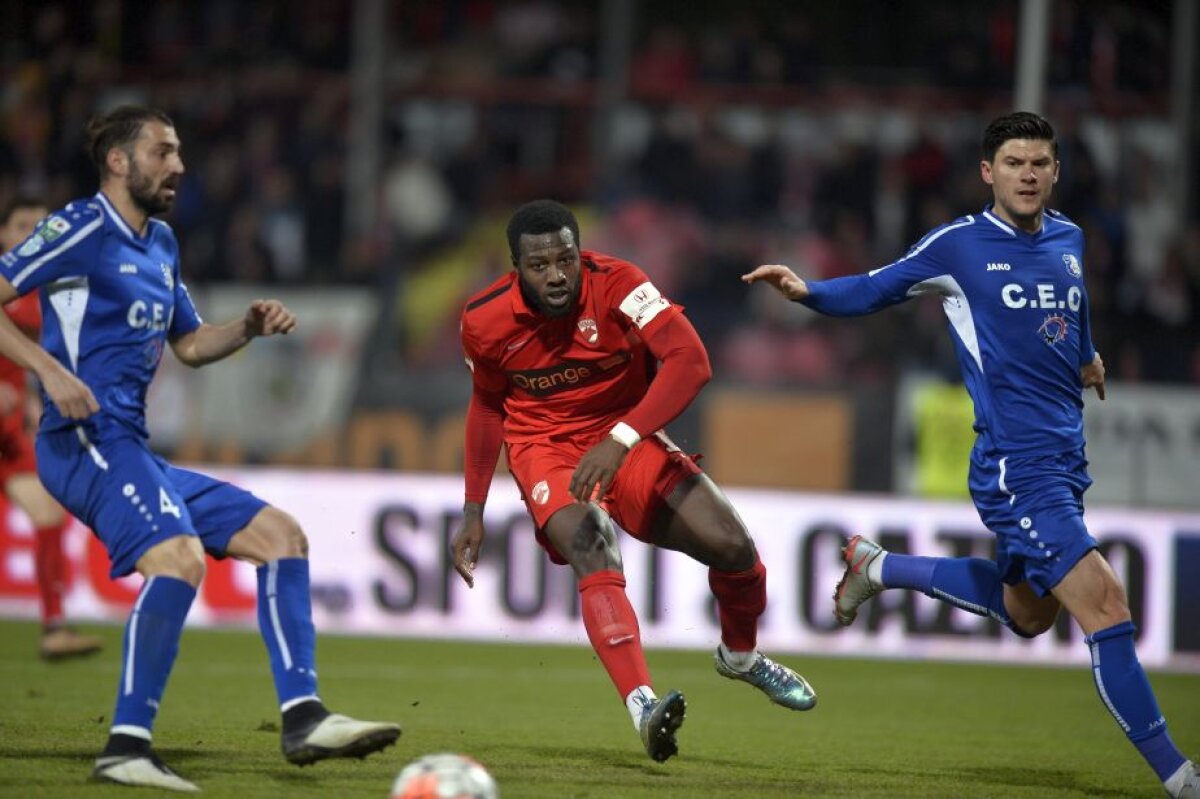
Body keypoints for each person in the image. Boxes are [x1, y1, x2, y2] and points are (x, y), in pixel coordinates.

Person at [743, 111, 1197, 799]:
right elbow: (878, 285)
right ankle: (1182, 777)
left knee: (1029, 613)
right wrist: (808, 292)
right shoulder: (959, 245)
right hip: (1017, 467)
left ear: (1054, 171)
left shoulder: (1071, 239)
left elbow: (1071, 313)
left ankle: (880, 564)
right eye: (1014, 162)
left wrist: (1088, 357)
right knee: (1104, 601)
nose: (1028, 174)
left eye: (1040, 162)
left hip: (1065, 461)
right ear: (989, 171)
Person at [0, 105, 401, 792]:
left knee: (281, 535)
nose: (179, 165)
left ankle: (303, 715)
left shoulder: (160, 243)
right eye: (164, 151)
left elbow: (189, 345)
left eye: (180, 151)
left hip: (131, 447)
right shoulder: (80, 225)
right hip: (82, 441)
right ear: (120, 161)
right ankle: (127, 744)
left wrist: (244, 326)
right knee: (180, 559)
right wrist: (48, 370)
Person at [452, 199, 816, 764]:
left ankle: (740, 657)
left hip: (626, 436)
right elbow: (488, 406)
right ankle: (643, 703)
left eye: (566, 260)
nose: (557, 276)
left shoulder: (621, 284)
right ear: (516, 268)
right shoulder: (483, 317)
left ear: (580, 254)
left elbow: (691, 361)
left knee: (734, 548)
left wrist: (620, 439)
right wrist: (473, 508)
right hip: (544, 447)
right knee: (592, 541)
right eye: (540, 265)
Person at [0, 197, 104, 660]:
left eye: (41, 225)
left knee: (48, 515)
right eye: (23, 224)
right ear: (3, 234)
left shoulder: (45, 293)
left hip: (7, 433)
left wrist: (27, 397)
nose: (32, 233)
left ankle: (55, 628)